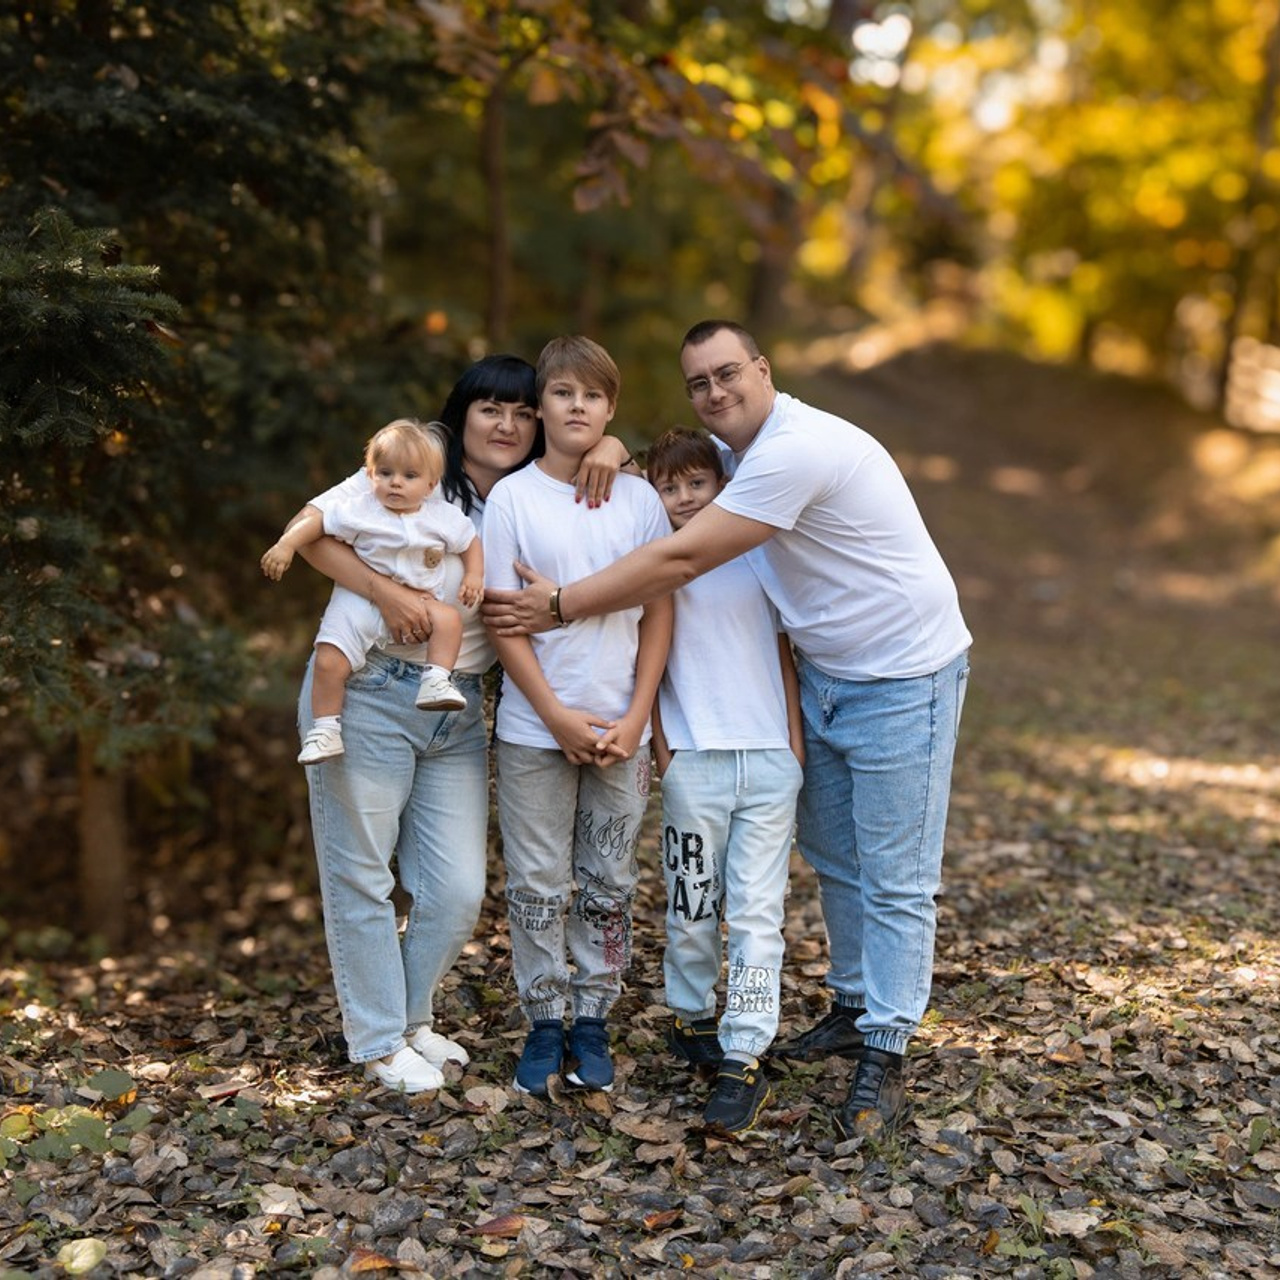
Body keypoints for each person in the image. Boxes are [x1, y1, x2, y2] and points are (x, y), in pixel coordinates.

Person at [483, 320, 972, 1134]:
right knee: (835, 858)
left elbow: (677, 560)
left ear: (764, 369)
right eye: (698, 383)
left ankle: (886, 1047)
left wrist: (561, 603)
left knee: (896, 873)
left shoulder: (797, 447)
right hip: (823, 673)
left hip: (902, 671)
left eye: (727, 374)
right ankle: (853, 1007)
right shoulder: (736, 454)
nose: (715, 392)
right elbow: (679, 483)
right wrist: (612, 456)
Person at [287, 354, 631, 1094]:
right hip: (372, 689)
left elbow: (605, 451)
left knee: (456, 890)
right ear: (462, 413)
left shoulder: (539, 491)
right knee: (362, 873)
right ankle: (378, 1041)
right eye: (490, 410)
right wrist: (383, 593)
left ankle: (410, 1021)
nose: (507, 425)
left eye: (522, 412)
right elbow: (315, 533)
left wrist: (614, 446)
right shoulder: (412, 466)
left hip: (457, 703)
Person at [483, 335, 673, 1098]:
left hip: (621, 727)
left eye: (593, 396)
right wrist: (555, 714)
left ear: (611, 409)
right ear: (543, 406)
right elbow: (503, 622)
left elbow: (661, 611)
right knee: (536, 881)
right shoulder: (513, 499)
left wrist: (638, 717)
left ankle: (593, 1018)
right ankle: (543, 1021)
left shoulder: (639, 499)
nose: (578, 408)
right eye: (563, 394)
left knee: (609, 880)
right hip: (536, 729)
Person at [646, 427, 805, 1135]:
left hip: (768, 762)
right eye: (668, 485)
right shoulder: (656, 564)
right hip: (694, 761)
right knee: (692, 906)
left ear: (721, 484)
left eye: (696, 483)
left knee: (756, 915)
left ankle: (745, 1050)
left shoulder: (757, 556)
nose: (683, 498)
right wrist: (662, 751)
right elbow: (642, 661)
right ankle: (690, 1016)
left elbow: (784, 657)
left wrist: (793, 751)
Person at [262, 419, 481, 765]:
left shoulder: (441, 515)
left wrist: (474, 575)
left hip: (421, 599)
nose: (395, 482)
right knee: (330, 658)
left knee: (449, 620)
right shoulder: (361, 509)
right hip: (359, 601)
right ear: (370, 474)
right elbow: (316, 522)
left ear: (430, 484)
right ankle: (326, 729)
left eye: (409, 477)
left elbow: (470, 542)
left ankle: (436, 679)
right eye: (385, 473)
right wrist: (286, 545)